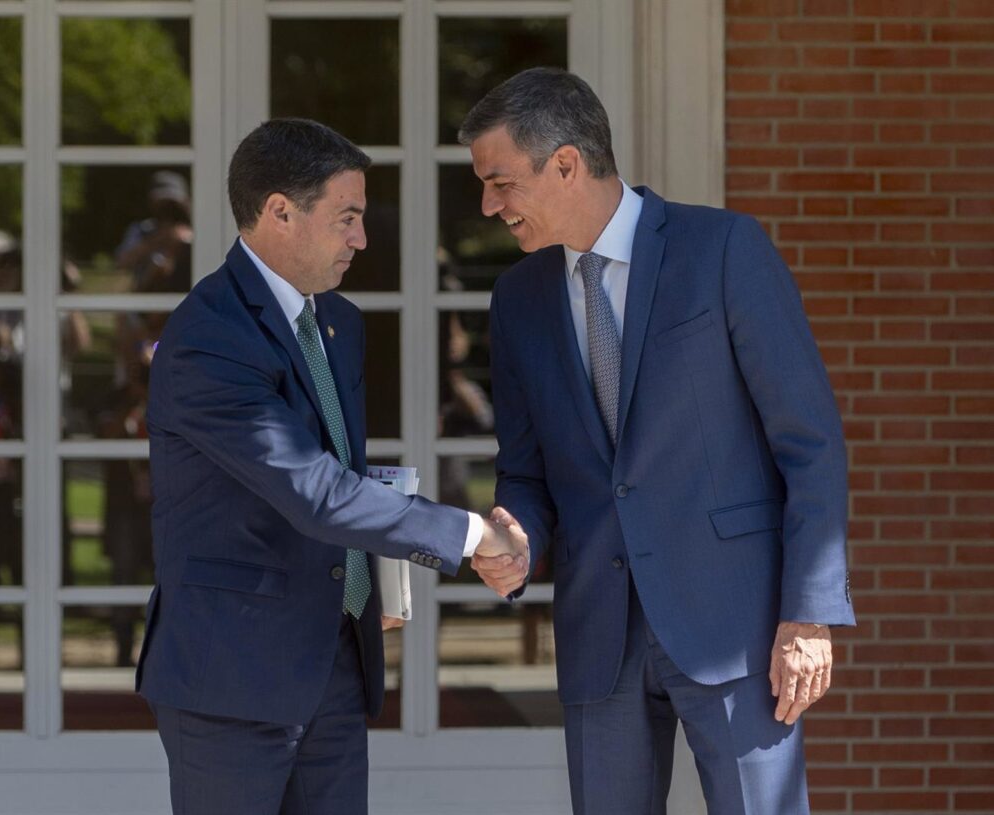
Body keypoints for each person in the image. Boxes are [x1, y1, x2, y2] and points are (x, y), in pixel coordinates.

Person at [462, 68, 855, 815]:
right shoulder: (517, 299)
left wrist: (808, 612)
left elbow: (810, 442)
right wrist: (512, 529)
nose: (489, 205)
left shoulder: (723, 249)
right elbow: (524, 469)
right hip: (599, 630)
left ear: (568, 163)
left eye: (500, 181)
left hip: (737, 625)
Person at [135, 118, 525, 815]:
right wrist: (472, 534)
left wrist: (372, 578)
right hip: (233, 681)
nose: (361, 239)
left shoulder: (338, 324)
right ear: (280, 211)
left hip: (335, 667)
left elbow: (341, 477)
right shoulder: (208, 339)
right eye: (346, 218)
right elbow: (314, 491)